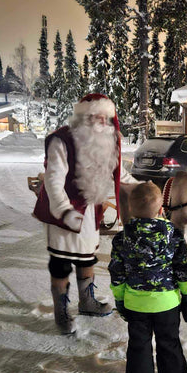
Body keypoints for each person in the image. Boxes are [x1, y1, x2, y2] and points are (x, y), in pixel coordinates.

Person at [34, 93, 128, 335]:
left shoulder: (105, 141)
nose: (100, 122)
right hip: (63, 212)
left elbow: (119, 172)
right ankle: (61, 312)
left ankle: (87, 302)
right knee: (61, 262)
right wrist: (64, 211)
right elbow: (53, 181)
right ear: (82, 116)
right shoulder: (61, 140)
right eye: (94, 116)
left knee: (87, 258)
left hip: (90, 212)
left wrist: (142, 186)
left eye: (104, 117)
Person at [108, 181, 187, 373]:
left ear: (131, 208)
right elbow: (183, 268)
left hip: (136, 305)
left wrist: (120, 299)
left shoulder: (123, 237)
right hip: (167, 305)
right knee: (170, 346)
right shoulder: (173, 234)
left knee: (139, 349)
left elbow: (117, 272)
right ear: (159, 209)